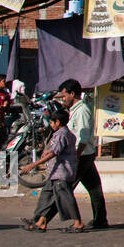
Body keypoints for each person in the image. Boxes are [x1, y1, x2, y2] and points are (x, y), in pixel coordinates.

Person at [46, 79, 107, 229]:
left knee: (63, 187)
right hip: (83, 155)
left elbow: (83, 138)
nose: (63, 98)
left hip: (82, 155)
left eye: (64, 95)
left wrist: (75, 157)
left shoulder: (82, 111)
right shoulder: (74, 110)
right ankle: (100, 220)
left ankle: (42, 219)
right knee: (94, 188)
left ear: (72, 94)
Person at [19, 107, 84, 232]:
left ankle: (78, 222)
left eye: (52, 122)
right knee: (46, 196)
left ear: (57, 122)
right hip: (54, 173)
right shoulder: (64, 134)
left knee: (66, 198)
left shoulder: (62, 134)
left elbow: (54, 152)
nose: (50, 124)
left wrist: (33, 165)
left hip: (61, 173)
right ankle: (40, 221)